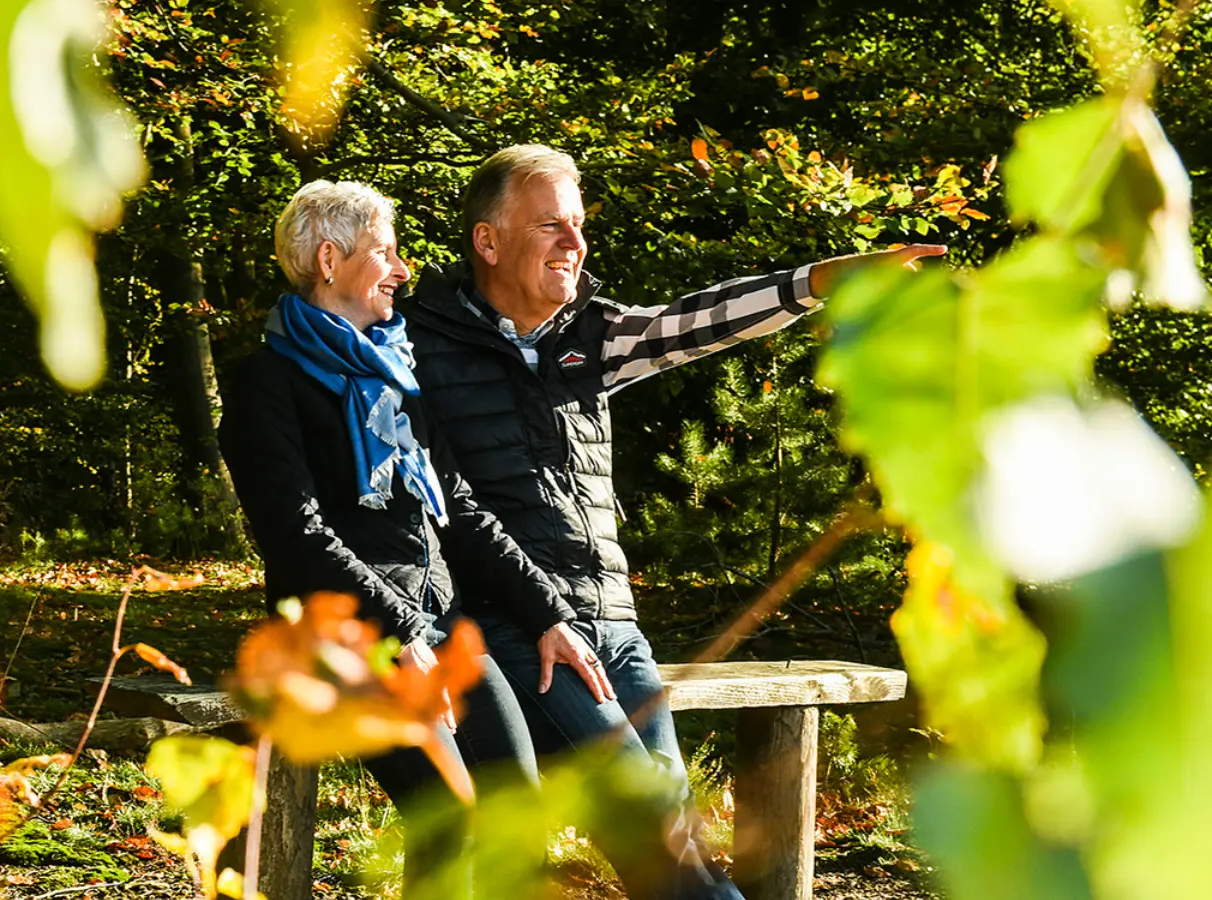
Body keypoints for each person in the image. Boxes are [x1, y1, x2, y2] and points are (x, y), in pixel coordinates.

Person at [399, 144, 943, 900]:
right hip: (519, 633)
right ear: (486, 241)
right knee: (658, 825)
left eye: (579, 225)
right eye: (550, 225)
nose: (574, 243)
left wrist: (818, 282)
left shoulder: (587, 335)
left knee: (667, 844)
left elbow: (696, 323)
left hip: (614, 628)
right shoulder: (419, 347)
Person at [217, 179, 608, 894]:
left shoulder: (399, 374)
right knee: (451, 817)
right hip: (339, 634)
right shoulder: (265, 383)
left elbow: (457, 510)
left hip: (434, 627)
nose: (403, 271)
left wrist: (546, 613)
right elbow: (297, 536)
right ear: (330, 260)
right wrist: (403, 631)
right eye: (386, 253)